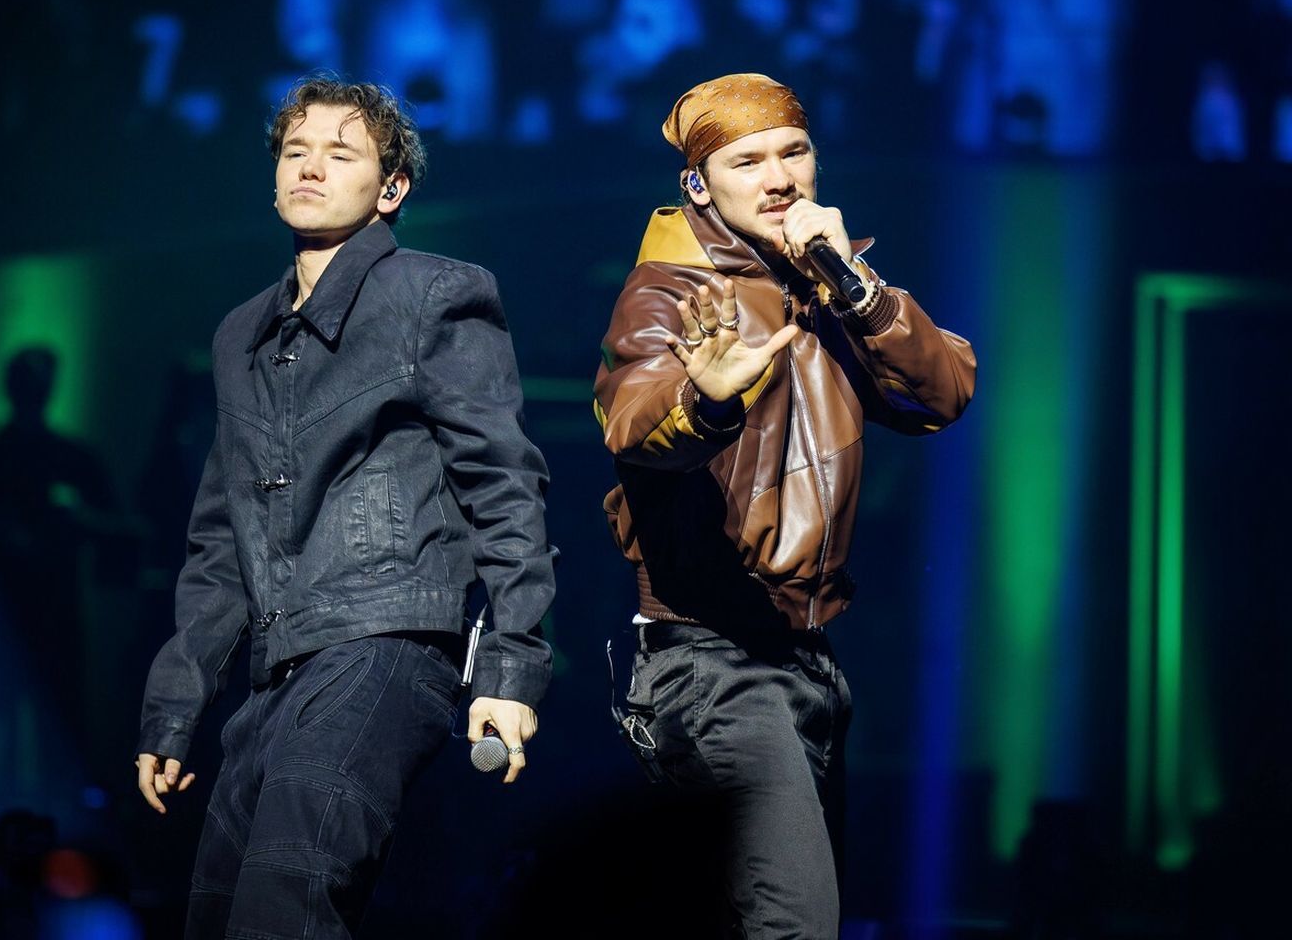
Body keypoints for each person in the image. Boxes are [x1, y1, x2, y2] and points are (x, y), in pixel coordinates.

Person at [135, 78, 555, 938]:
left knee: (284, 906)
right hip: (277, 665)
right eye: (296, 151)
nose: (311, 168)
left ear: (391, 188)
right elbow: (220, 536)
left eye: (340, 152)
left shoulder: (433, 293)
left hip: (386, 640)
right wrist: (174, 710)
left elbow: (504, 481)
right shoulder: (240, 335)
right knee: (216, 916)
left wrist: (510, 668)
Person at [593, 73, 976, 938]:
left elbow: (942, 393)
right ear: (698, 185)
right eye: (747, 162)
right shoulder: (671, 292)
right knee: (792, 924)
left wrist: (857, 286)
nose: (779, 179)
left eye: (793, 153)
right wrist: (707, 401)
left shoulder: (826, 287)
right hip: (710, 662)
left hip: (807, 663)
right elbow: (633, 423)